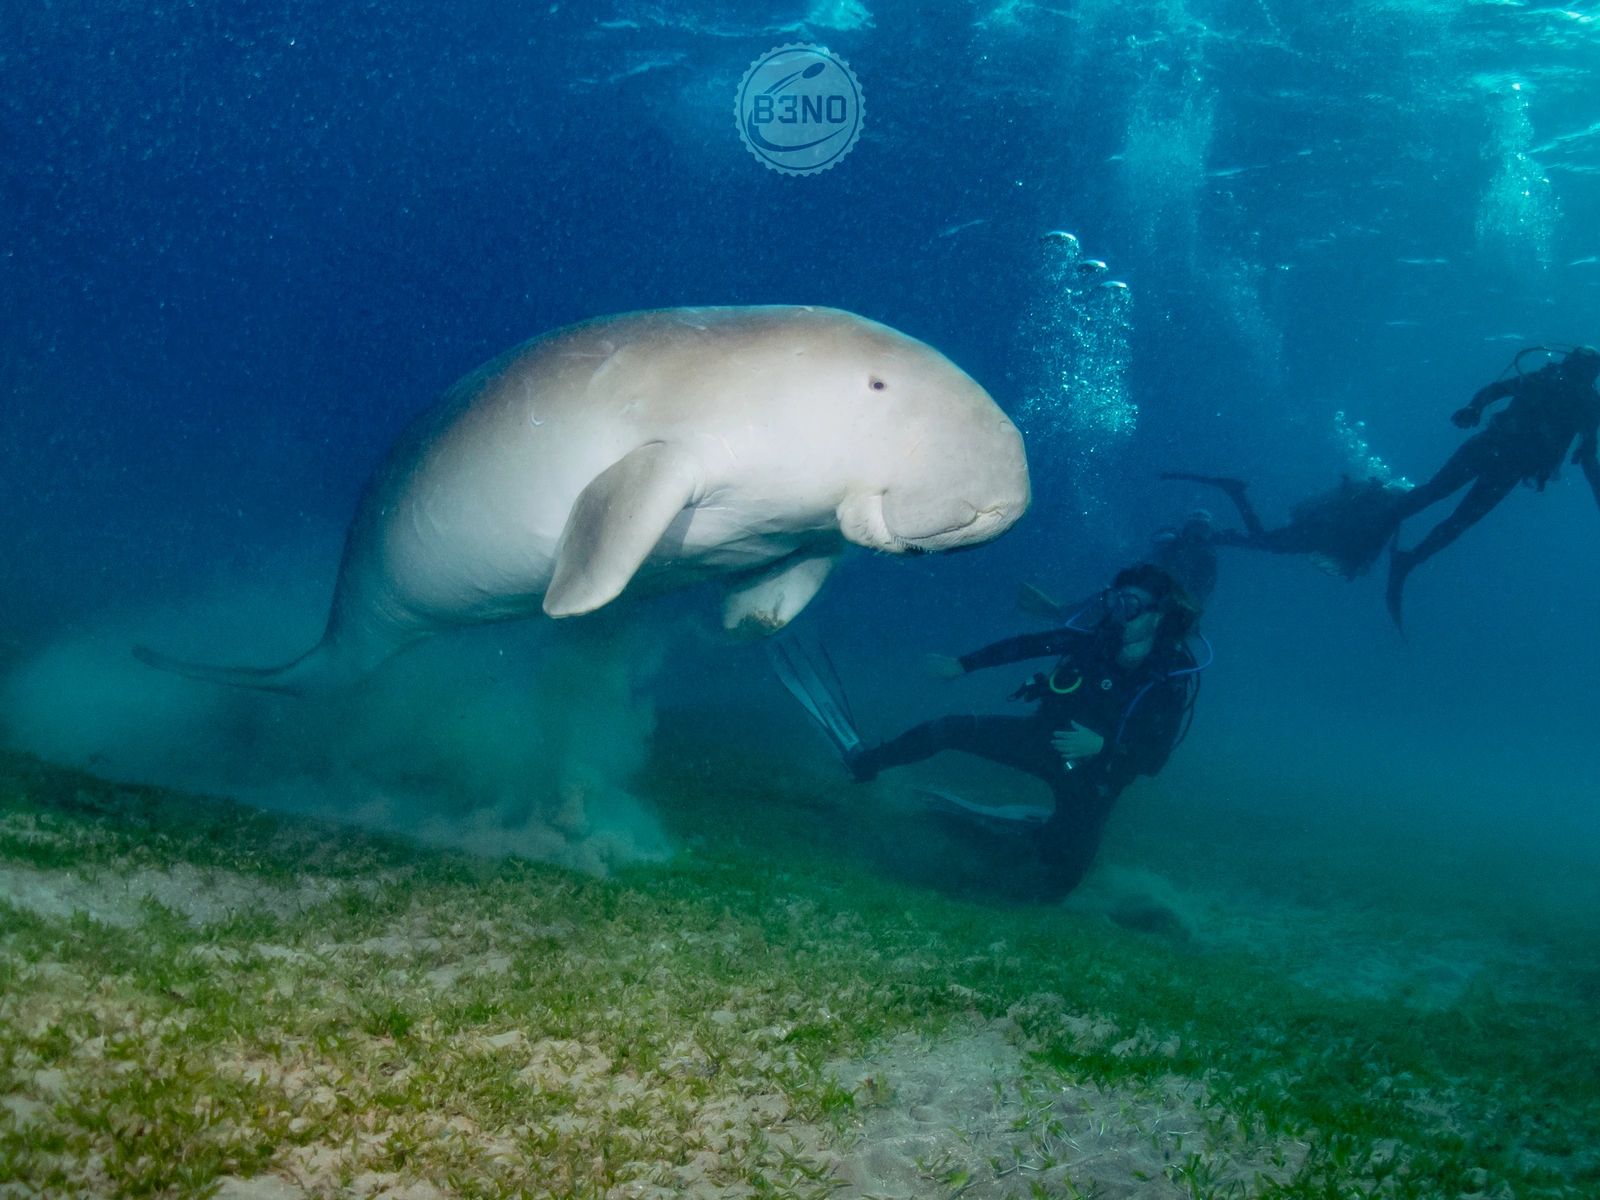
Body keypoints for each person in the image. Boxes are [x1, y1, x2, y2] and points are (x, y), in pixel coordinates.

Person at [773, 564, 1206, 900]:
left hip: (1096, 778)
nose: (1116, 613)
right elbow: (1029, 645)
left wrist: (1104, 746)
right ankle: (865, 762)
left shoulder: (1170, 675)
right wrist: (963, 665)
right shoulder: (1098, 640)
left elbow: (1155, 759)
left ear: (1158, 616)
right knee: (949, 729)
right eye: (1114, 600)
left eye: (1130, 605)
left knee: (1055, 885)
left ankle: (1042, 836)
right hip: (1043, 738)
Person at [1386, 344, 1600, 627]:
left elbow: (1588, 457)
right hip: (1500, 457)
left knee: (1448, 507)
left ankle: (1401, 547)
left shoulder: (1577, 398)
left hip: (1498, 456)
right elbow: (1588, 459)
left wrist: (1475, 407)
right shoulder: (1566, 391)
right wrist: (1474, 407)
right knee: (1447, 507)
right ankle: (1397, 540)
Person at [1161, 472, 1406, 581]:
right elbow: (1364, 545)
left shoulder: (1372, 505)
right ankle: (1235, 494)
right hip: (1316, 534)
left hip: (1315, 530)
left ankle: (1216, 535)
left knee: (1262, 541)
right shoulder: (1382, 514)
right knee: (1263, 542)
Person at [1016, 510, 1217, 625]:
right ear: (1186, 527)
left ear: (1208, 532)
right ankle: (1064, 615)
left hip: (1172, 607)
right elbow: (1149, 557)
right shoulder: (1172, 544)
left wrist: (1185, 612)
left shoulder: (1208, 558)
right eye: (1194, 526)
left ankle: (1065, 616)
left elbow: (1202, 591)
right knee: (1110, 599)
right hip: (1150, 595)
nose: (1196, 533)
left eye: (1202, 528)